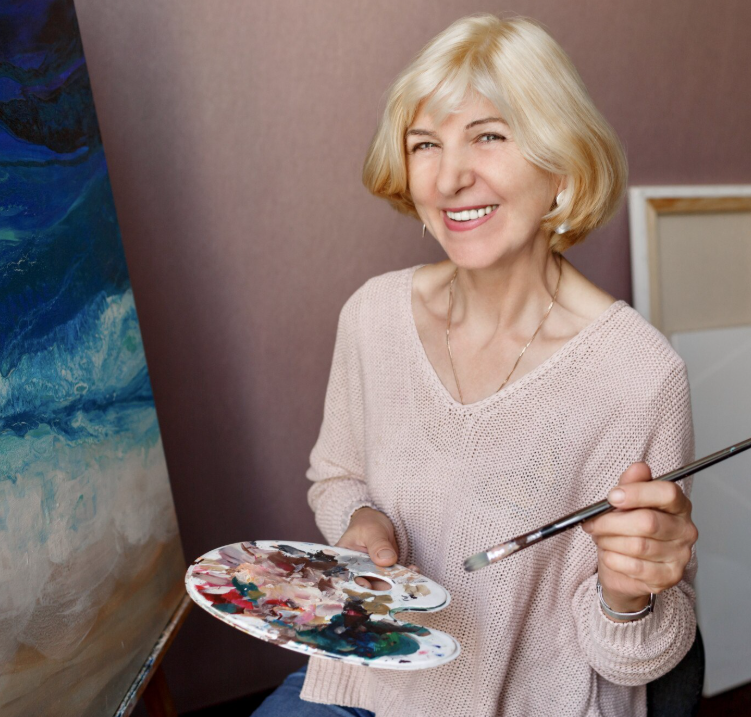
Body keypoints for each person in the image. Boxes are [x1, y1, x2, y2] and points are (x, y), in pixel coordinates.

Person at [255, 12, 698, 717]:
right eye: (425, 144)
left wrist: (629, 593)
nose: (450, 177)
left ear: (562, 167)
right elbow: (336, 475)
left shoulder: (638, 375)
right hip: (362, 683)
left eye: (489, 135)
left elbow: (640, 660)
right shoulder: (373, 315)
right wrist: (362, 519)